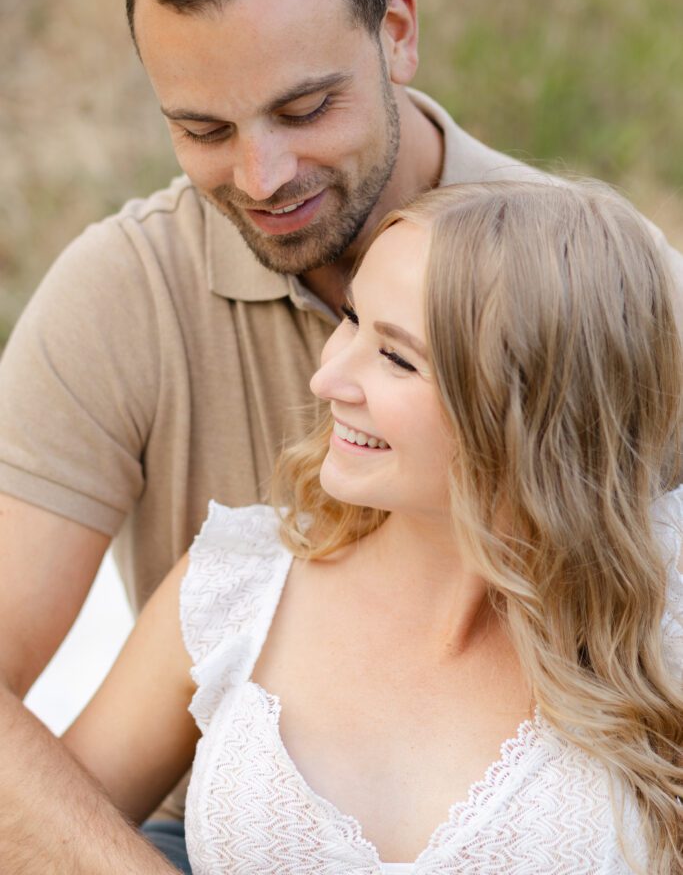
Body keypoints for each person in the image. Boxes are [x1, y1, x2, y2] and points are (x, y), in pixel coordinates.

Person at [0, 0, 682, 872]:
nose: (261, 178)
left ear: (395, 31)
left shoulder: (599, 289)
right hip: (198, 831)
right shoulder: (123, 292)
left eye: (306, 108)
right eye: (203, 129)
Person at [61, 181, 683, 874]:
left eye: (396, 357)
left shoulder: (664, 611)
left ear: (532, 409)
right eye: (351, 319)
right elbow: (38, 834)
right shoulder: (235, 587)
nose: (327, 379)